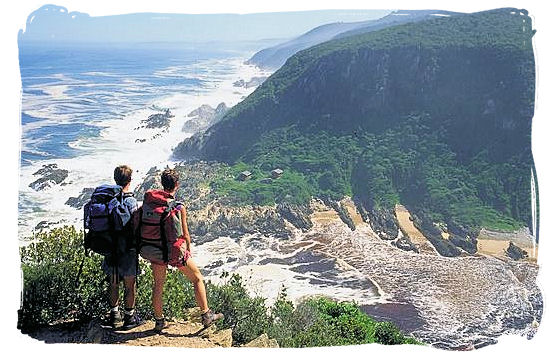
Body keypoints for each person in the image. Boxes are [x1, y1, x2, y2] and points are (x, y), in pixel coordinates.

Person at [139, 168, 223, 333]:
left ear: (162, 184)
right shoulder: (177, 206)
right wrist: (188, 250)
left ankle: (158, 321)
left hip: (155, 250)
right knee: (197, 278)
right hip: (174, 252)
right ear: (177, 185)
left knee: (158, 285)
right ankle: (206, 316)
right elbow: (185, 234)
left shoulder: (150, 203)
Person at [102, 165, 143, 330]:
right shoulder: (132, 202)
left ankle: (114, 316)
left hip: (111, 248)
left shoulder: (108, 200)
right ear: (130, 180)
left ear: (115, 179)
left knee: (113, 283)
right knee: (129, 284)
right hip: (128, 249)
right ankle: (129, 317)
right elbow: (137, 225)